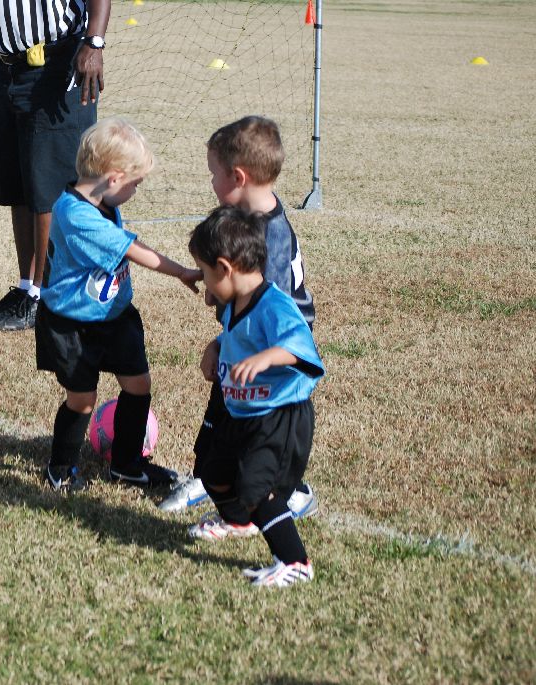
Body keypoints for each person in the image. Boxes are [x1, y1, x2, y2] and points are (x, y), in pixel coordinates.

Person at [160, 115, 319, 520]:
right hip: (244, 337)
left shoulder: (271, 236)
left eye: (214, 174)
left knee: (256, 427)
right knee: (224, 415)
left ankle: (288, 492)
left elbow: (271, 307)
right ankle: (211, 477)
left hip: (273, 346)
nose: (211, 183)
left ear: (238, 177)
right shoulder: (244, 219)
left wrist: (223, 341)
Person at [35, 117, 202, 491]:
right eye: (135, 183)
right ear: (113, 179)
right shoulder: (74, 214)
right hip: (71, 324)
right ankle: (60, 469)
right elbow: (132, 250)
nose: (136, 190)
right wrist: (181, 272)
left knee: (138, 384)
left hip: (115, 315)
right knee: (82, 399)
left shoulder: (103, 199)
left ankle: (127, 466)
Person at [0, 0, 112, 331]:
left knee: (48, 189)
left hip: (56, 67)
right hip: (5, 70)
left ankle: (46, 297)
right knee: (20, 185)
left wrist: (94, 41)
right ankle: (27, 289)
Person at [187, 206, 325, 586]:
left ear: (225, 268)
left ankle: (295, 562)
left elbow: (300, 348)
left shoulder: (275, 304)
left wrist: (266, 358)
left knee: (258, 489)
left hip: (278, 415)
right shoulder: (235, 302)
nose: (205, 285)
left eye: (205, 273)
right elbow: (234, 335)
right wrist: (216, 347)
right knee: (214, 473)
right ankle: (238, 522)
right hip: (242, 411)